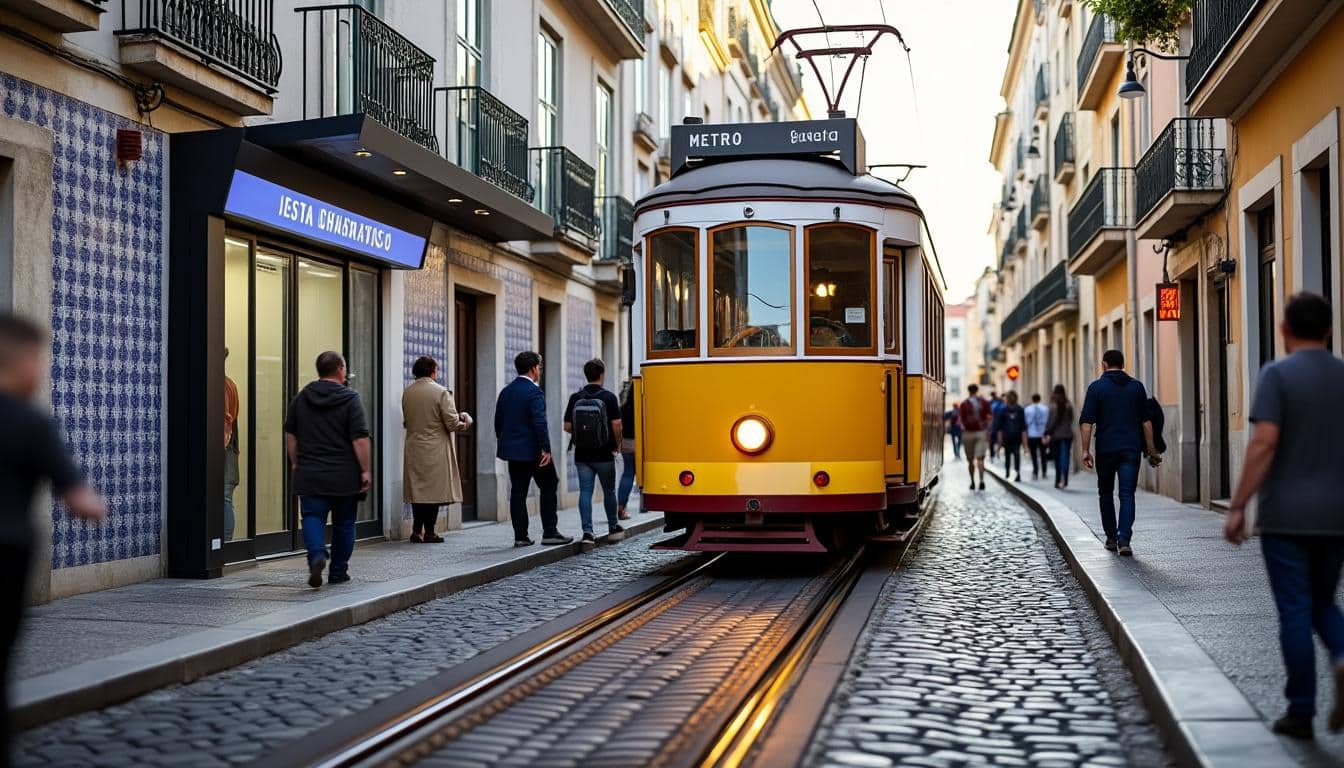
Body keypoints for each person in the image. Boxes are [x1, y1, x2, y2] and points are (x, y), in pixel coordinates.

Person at [1223, 293, 1344, 740]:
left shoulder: (1277, 375)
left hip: (1286, 516)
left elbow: (1264, 443)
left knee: (1294, 608)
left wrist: (1237, 506)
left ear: (1284, 330)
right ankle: (1342, 655)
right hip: (1336, 515)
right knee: (1322, 601)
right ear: (1328, 330)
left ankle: (1300, 711)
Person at [0, 314, 106, 762]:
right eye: (39, 359)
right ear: (21, 361)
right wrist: (96, 507)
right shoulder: (30, 422)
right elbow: (81, 501)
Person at [284, 351, 371, 588]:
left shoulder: (301, 399)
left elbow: (291, 435)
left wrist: (295, 462)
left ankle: (316, 555)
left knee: (312, 517)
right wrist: (365, 470)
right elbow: (360, 439)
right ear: (341, 369)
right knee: (344, 523)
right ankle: (338, 572)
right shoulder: (350, 399)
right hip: (344, 474)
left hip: (310, 472)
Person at [1079, 349, 1158, 557]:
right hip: (1131, 449)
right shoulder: (1136, 387)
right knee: (1127, 494)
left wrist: (1085, 450)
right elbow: (1146, 422)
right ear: (1122, 364)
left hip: (1105, 449)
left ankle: (1111, 538)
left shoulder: (1096, 388)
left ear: (1104, 365)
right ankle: (1125, 539)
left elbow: (1087, 423)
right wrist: (1151, 449)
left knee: (1105, 493)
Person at [495, 351, 572, 547]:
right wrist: (546, 448)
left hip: (513, 451)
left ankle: (521, 536)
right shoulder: (534, 392)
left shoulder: (506, 392)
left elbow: (498, 422)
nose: (540, 371)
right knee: (549, 485)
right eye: (540, 367)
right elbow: (539, 422)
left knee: (518, 492)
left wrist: (507, 442)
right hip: (534, 451)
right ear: (534, 369)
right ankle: (550, 532)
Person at [402, 356, 473, 543]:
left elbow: (407, 420)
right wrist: (466, 421)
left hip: (414, 446)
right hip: (435, 448)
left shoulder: (407, 393)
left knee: (418, 491)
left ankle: (417, 530)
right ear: (433, 371)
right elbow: (452, 423)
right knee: (433, 492)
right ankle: (430, 531)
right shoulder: (441, 392)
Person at [564, 359, 625, 545]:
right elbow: (617, 425)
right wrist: (617, 445)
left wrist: (583, 434)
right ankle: (613, 527)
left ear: (586, 375)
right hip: (604, 453)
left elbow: (567, 426)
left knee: (585, 491)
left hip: (582, 455)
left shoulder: (576, 397)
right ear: (602, 374)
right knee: (609, 491)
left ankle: (587, 533)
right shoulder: (609, 397)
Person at [958, 384, 991, 491]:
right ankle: (981, 481)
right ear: (977, 391)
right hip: (980, 433)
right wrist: (986, 428)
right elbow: (990, 417)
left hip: (968, 433)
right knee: (980, 459)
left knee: (970, 460)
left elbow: (961, 420)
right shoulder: (984, 402)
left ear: (968, 391)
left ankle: (972, 482)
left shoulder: (964, 404)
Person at [1043, 384, 1074, 489]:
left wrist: (1046, 433)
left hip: (1056, 436)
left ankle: (1057, 480)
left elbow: (1050, 422)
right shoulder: (1069, 405)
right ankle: (1064, 479)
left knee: (1057, 459)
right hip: (1067, 435)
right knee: (1065, 457)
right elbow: (1071, 419)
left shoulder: (1052, 406)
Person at [223, 347, 239, 543]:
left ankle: (225, 543)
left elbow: (226, 419)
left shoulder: (221, 385)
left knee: (224, 498)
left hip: (224, 451)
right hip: (231, 451)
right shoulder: (231, 384)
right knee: (226, 498)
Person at [994, 391, 1027, 481]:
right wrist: (1025, 446)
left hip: (1007, 436)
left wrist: (999, 444)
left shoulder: (1003, 410)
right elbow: (1023, 428)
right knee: (1017, 456)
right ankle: (1017, 473)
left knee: (1007, 455)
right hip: (1017, 436)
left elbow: (999, 428)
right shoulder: (1020, 409)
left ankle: (1008, 472)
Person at [617, 380, 637, 519]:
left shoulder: (623, 408)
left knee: (628, 474)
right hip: (641, 445)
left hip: (626, 444)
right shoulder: (644, 407)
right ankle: (644, 505)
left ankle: (621, 507)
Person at [1024, 393, 1049, 480]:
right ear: (1039, 399)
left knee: (1034, 455)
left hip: (1032, 435)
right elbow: (1047, 422)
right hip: (1042, 435)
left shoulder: (1027, 409)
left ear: (1032, 399)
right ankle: (1044, 472)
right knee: (1043, 454)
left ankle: (1035, 472)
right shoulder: (1045, 408)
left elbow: (1026, 423)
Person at [988, 390, 1004, 458]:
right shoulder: (991, 402)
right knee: (994, 439)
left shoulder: (999, 402)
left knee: (998, 439)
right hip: (994, 423)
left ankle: (996, 452)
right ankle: (994, 453)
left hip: (996, 423)